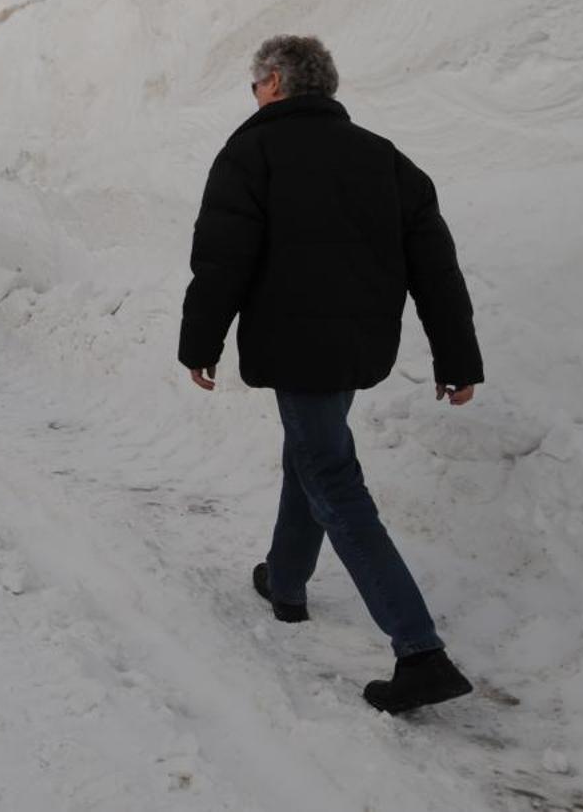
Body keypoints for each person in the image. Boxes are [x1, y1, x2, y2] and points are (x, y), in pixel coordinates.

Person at [179, 35, 484, 714]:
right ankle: (285, 581)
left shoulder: (250, 152)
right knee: (312, 454)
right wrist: (456, 357)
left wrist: (201, 340)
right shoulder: (384, 158)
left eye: (256, 84)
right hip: (356, 346)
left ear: (278, 81)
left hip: (295, 345)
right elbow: (437, 267)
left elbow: (221, 258)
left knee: (331, 477)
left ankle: (420, 650)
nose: (253, 96)